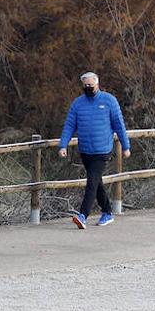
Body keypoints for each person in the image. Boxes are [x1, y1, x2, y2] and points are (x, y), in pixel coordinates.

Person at [58, 72, 130, 228]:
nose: (88, 88)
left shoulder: (109, 101)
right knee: (96, 183)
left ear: (97, 84)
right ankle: (107, 212)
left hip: (102, 150)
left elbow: (119, 124)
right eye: (85, 85)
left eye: (90, 85)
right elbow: (70, 125)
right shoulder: (78, 104)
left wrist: (126, 146)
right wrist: (63, 145)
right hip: (85, 150)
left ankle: (83, 215)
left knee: (91, 182)